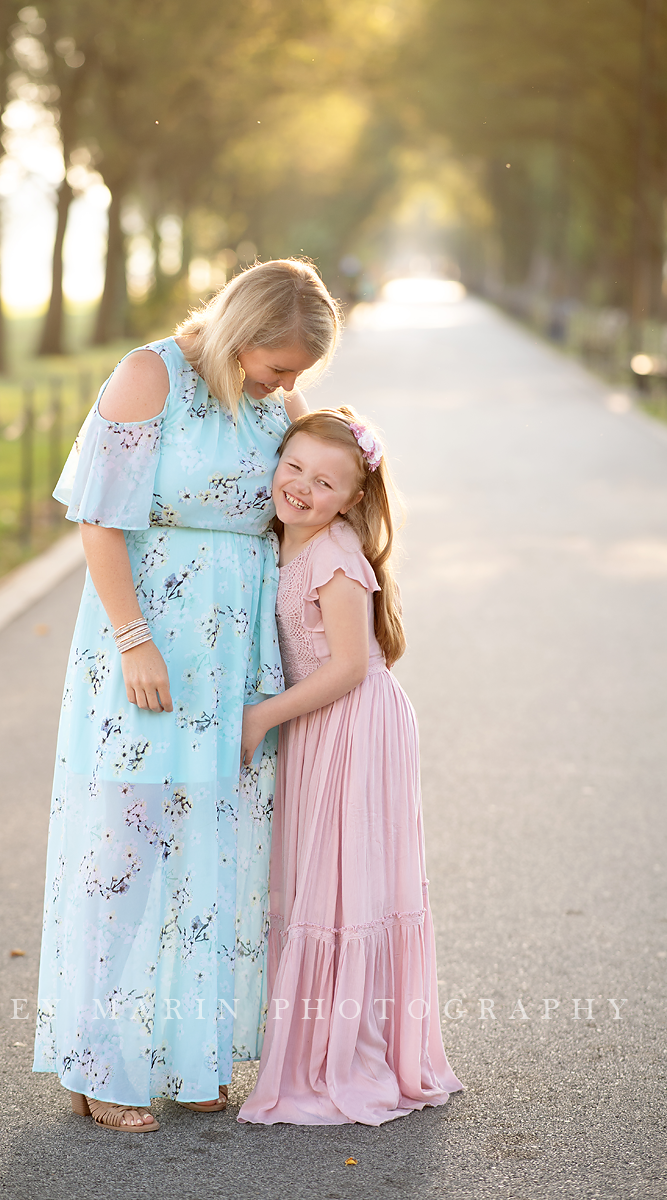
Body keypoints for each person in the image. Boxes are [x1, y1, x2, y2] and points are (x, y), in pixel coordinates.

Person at [33, 260, 341, 1131]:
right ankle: (101, 1065)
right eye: (280, 365)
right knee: (127, 852)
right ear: (242, 332)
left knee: (217, 847)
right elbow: (99, 519)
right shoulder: (148, 376)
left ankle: (188, 1052)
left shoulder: (270, 406)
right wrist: (134, 640)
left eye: (296, 374)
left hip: (237, 656)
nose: (289, 386)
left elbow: (299, 506)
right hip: (150, 644)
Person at [237, 407, 462, 1125]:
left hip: (352, 723)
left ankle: (347, 1053)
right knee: (318, 881)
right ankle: (317, 1037)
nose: (301, 487)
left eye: (325, 481)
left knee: (345, 889)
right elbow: (312, 435)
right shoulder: (280, 538)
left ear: (353, 499)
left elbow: (348, 669)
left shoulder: (334, 557)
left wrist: (262, 718)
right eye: (293, 467)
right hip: (317, 725)